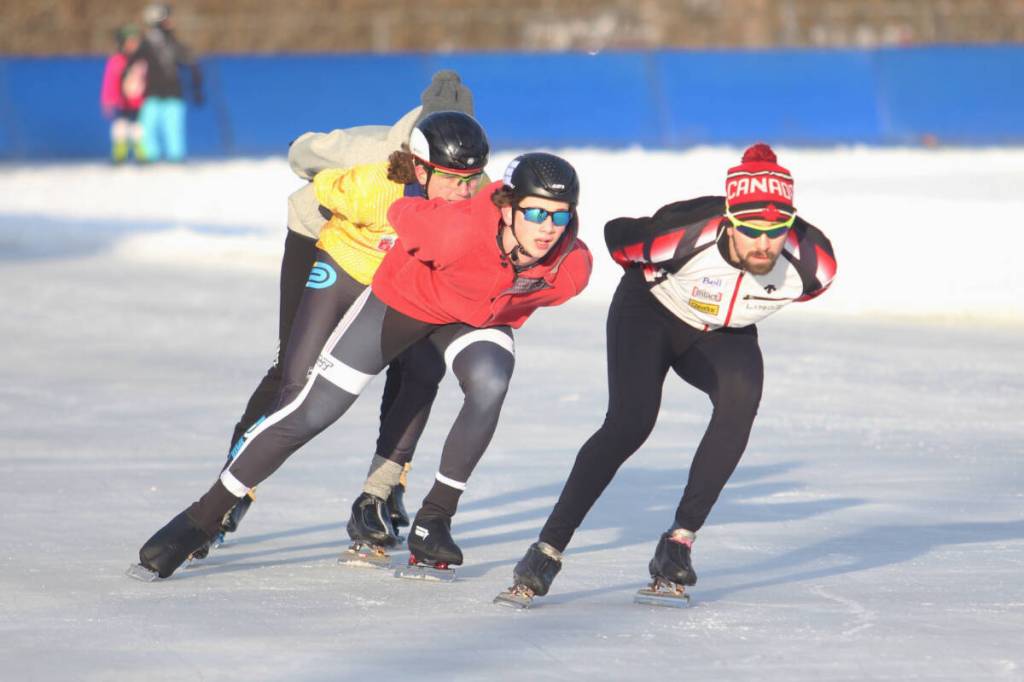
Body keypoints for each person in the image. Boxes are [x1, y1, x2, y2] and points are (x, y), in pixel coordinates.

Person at [130, 152, 592, 581]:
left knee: (491, 382)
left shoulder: (571, 268)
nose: (547, 227)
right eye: (535, 212)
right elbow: (401, 213)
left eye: (559, 214)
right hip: (403, 303)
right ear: (509, 208)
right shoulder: (453, 230)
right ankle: (201, 518)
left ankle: (435, 519)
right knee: (311, 412)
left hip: (470, 319)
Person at [497, 143, 837, 607]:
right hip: (650, 310)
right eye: (751, 229)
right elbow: (618, 236)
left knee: (743, 394)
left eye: (776, 230)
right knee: (630, 422)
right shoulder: (682, 234)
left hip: (720, 331)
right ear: (730, 219)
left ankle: (678, 544)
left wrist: (725, 312)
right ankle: (546, 550)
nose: (763, 244)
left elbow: (794, 292)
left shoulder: (814, 265)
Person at [216, 72, 481, 550]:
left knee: (415, 365)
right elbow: (302, 153)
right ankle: (233, 482)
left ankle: (382, 489)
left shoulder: (465, 178)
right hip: (325, 241)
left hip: (399, 254)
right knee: (291, 370)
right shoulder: (368, 152)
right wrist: (310, 159)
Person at [128, 3, 203, 162]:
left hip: (172, 93)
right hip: (154, 93)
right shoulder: (148, 43)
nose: (171, 21)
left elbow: (190, 62)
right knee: (148, 127)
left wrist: (197, 87)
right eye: (167, 18)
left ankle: (175, 157)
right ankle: (150, 156)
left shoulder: (173, 43)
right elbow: (133, 64)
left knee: (172, 128)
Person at [99, 25, 145, 163]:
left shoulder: (141, 61)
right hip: (121, 102)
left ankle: (140, 152)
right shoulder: (116, 61)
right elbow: (109, 82)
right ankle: (119, 153)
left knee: (138, 128)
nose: (133, 45)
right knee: (120, 127)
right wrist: (107, 100)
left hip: (137, 102)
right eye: (129, 42)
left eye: (135, 42)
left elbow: (146, 81)